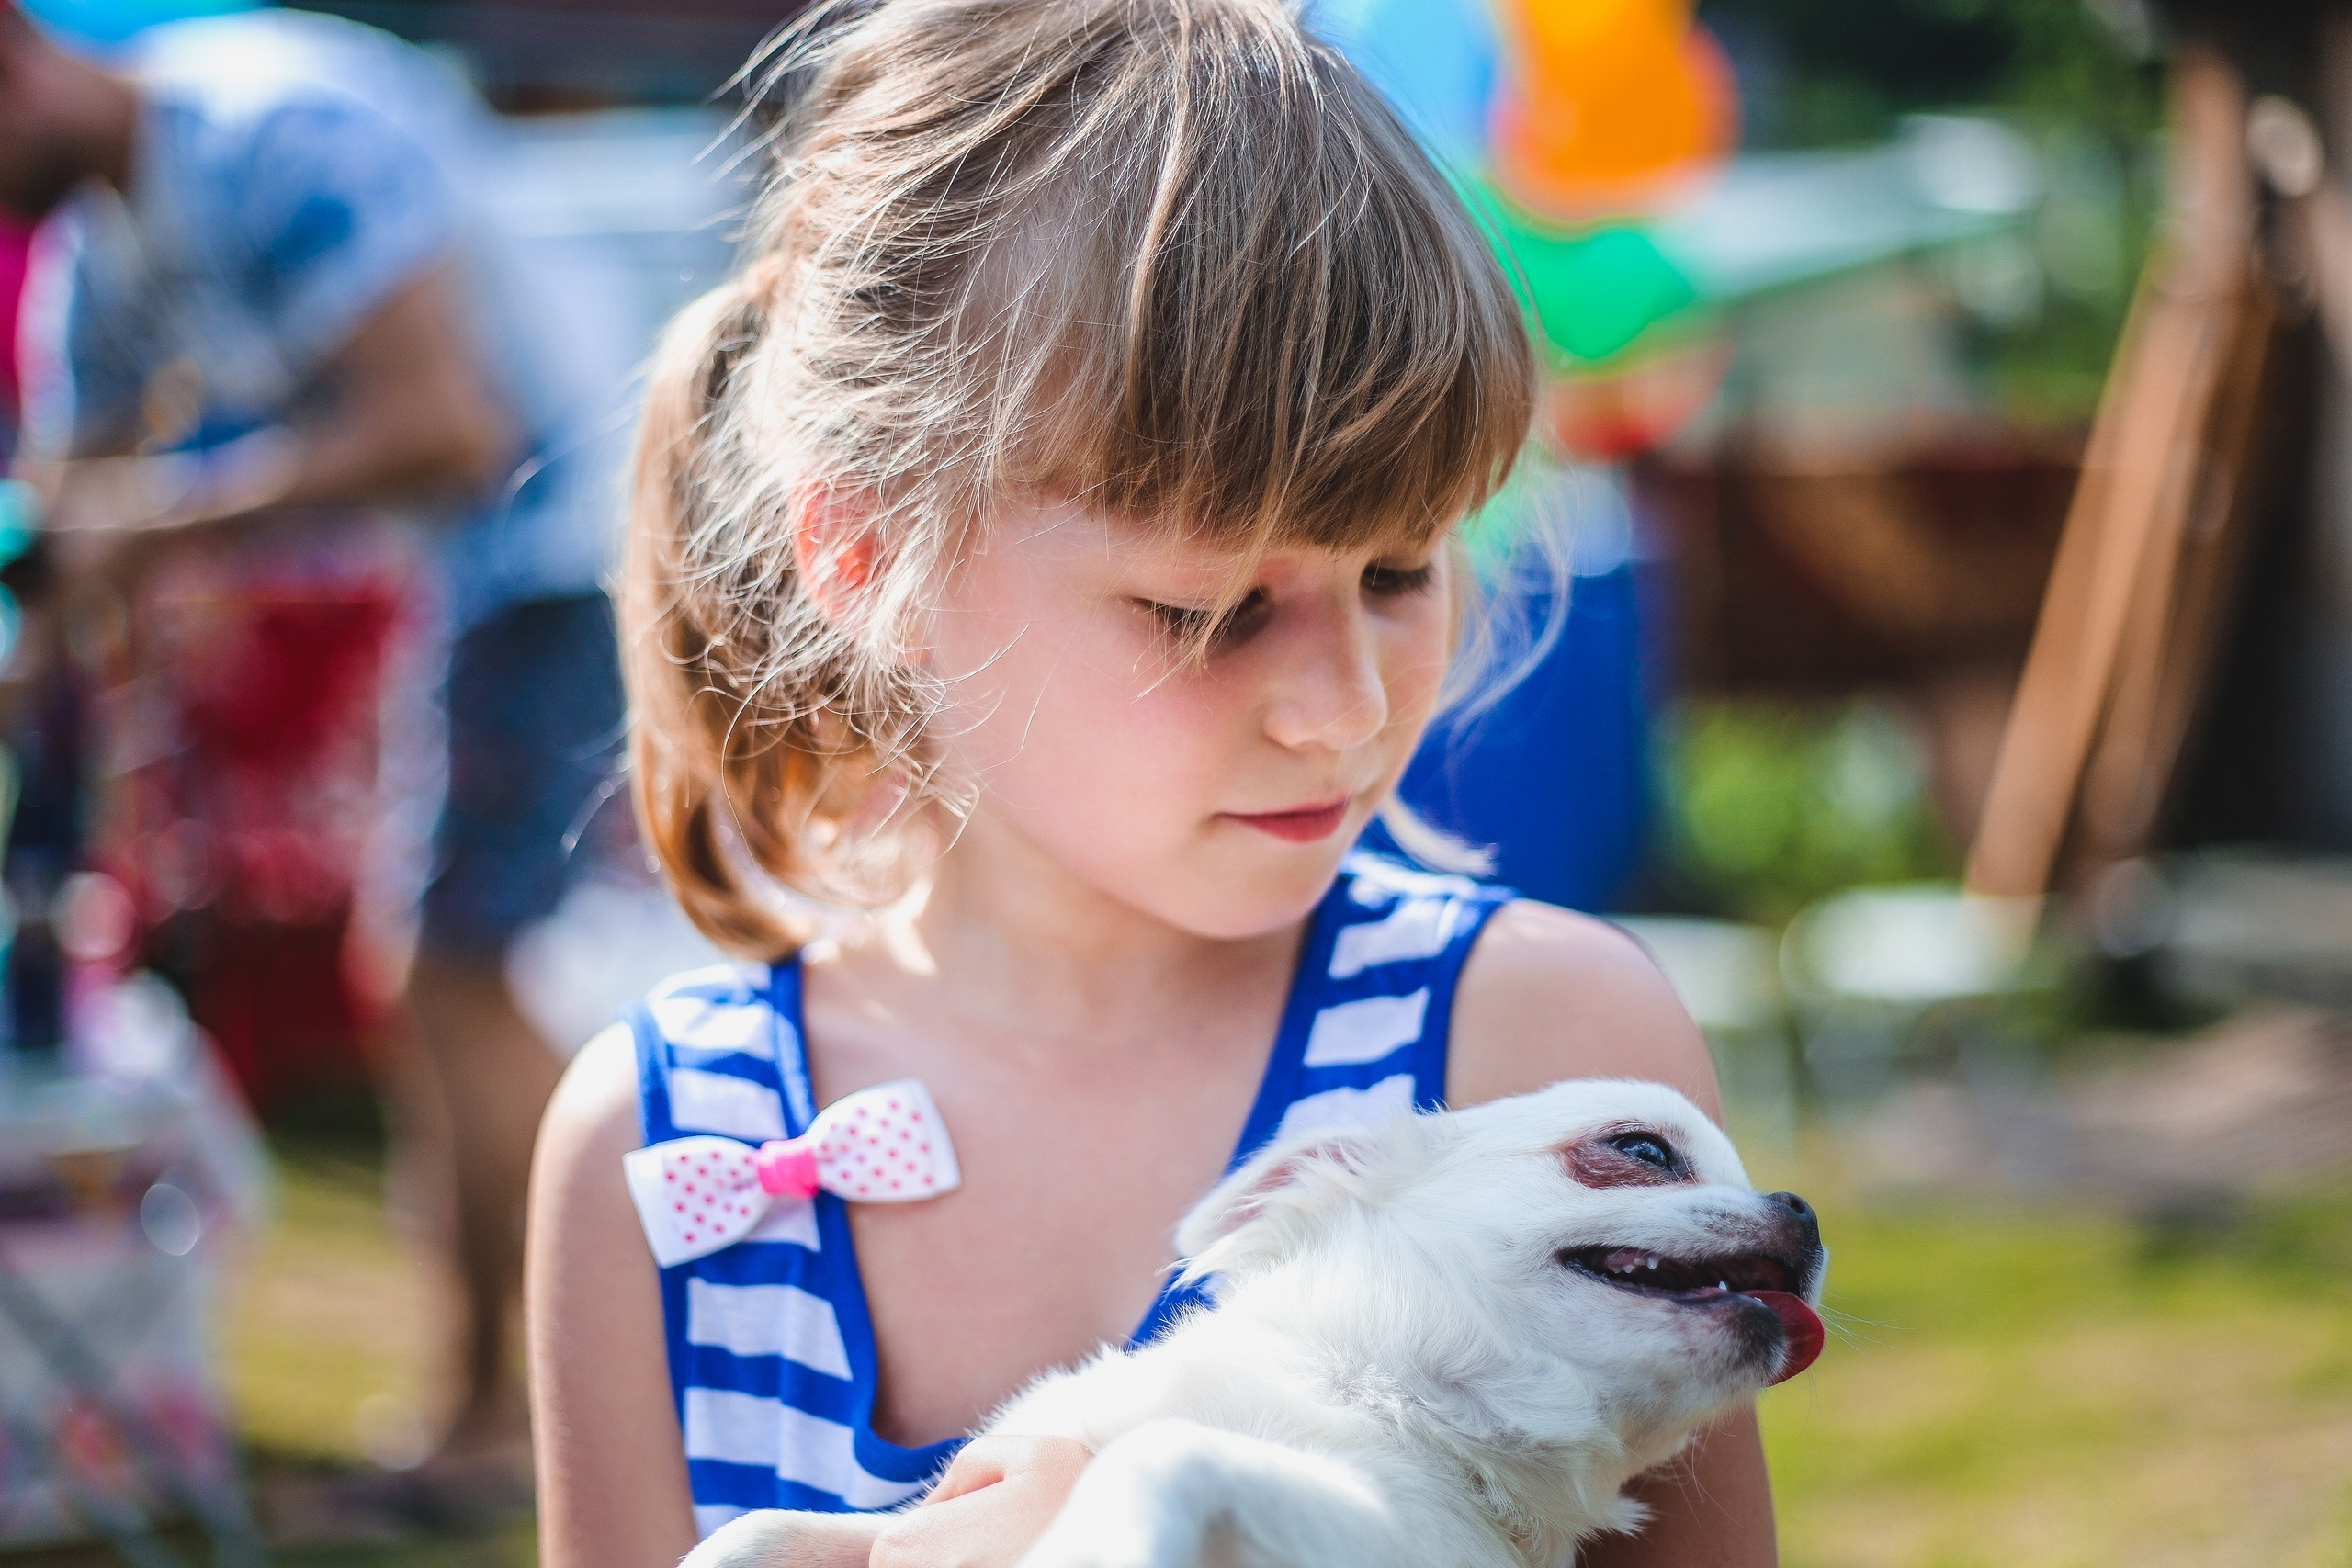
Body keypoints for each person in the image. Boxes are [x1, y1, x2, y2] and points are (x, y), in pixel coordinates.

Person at [526, 0, 1781, 1562]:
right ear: (865, 556)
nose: (1341, 709)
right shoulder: (663, 1149)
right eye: (1210, 611)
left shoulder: (1537, 1054)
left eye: (1399, 572)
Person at [1, 1, 632, 1506]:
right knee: (425, 982)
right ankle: (492, 1406)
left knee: (454, 981)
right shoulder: (103, 256)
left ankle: (558, 1406)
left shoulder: (269, 134)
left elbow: (450, 426)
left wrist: (165, 525)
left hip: (567, 555)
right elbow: (68, 528)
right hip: (472, 586)